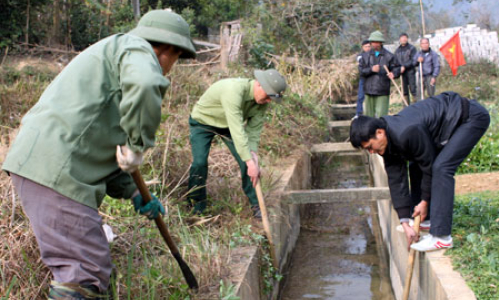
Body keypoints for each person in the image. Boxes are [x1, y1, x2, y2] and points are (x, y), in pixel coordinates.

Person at [2, 10, 196, 299]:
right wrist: (137, 143)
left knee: (91, 267)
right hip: (57, 171)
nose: (170, 68)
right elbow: (145, 84)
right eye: (176, 59)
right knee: (84, 271)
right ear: (168, 50)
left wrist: (135, 193)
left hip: (46, 165)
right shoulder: (138, 49)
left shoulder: (113, 56)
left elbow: (101, 146)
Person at [349, 92, 490, 252]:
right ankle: (426, 220)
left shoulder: (406, 132)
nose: (371, 152)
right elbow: (396, 180)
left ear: (379, 133)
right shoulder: (388, 143)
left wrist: (424, 201)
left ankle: (441, 237)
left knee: (442, 168)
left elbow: (428, 165)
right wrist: (405, 221)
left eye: (369, 147)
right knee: (415, 165)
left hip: (470, 118)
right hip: (451, 121)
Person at [187, 69, 287, 218]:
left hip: (227, 126)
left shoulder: (262, 102)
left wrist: (252, 155)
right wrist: (250, 162)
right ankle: (196, 205)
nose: (268, 101)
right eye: (268, 97)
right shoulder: (233, 91)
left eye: (271, 99)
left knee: (247, 161)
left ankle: (256, 204)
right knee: (199, 162)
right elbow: (237, 129)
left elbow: (253, 131)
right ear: (259, 84)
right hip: (203, 121)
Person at [358, 30, 401, 118]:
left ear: (380, 43)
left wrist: (394, 73)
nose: (373, 44)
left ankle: (382, 131)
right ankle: (370, 132)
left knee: (382, 116)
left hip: (382, 90)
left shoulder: (389, 56)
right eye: (372, 42)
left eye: (376, 42)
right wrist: (371, 69)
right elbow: (361, 71)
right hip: (369, 90)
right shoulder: (365, 56)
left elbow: (397, 68)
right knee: (368, 117)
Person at [395, 33, 417, 103]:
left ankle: (416, 105)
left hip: (410, 71)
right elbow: (395, 62)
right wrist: (398, 69)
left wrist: (404, 66)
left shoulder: (412, 48)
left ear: (407, 39)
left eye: (405, 38)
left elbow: (414, 60)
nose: (403, 39)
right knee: (404, 91)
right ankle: (406, 106)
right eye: (402, 38)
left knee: (413, 89)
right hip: (402, 73)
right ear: (399, 39)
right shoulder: (397, 51)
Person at [356, 40, 371, 116]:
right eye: (366, 47)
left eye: (369, 46)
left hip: (372, 78)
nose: (368, 48)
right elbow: (362, 64)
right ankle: (358, 113)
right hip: (363, 78)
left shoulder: (374, 54)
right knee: (361, 96)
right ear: (363, 47)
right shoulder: (360, 56)